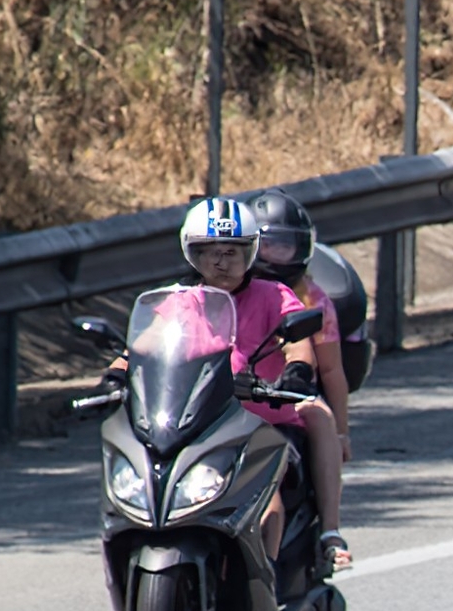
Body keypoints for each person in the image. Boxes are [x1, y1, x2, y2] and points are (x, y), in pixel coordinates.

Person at [108, 200, 344, 574]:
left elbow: (298, 340)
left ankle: (276, 575)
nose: (221, 262)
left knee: (267, 510)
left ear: (250, 252)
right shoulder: (180, 302)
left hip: (260, 426)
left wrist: (297, 368)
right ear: (192, 254)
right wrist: (116, 374)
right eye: (210, 252)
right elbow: (143, 344)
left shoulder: (273, 294)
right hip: (195, 426)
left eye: (232, 251)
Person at [250, 191, 351, 572]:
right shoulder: (218, 292)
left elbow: (329, 370)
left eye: (285, 245)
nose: (276, 255)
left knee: (318, 416)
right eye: (267, 244)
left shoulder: (310, 299)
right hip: (230, 396)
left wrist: (342, 432)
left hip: (287, 395)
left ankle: (330, 530)